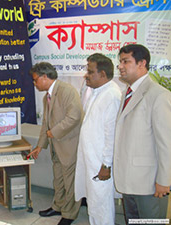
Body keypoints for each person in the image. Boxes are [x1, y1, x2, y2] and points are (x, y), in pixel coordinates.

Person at [114, 44, 171, 223]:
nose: (120, 66)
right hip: (129, 179)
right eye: (120, 62)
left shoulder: (158, 95)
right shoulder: (127, 93)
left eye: (126, 61)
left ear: (142, 63)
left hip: (149, 183)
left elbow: (166, 143)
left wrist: (164, 180)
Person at [28, 62, 83, 225]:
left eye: (35, 79)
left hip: (69, 146)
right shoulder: (48, 96)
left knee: (70, 182)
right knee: (58, 179)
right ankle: (58, 206)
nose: (34, 83)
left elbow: (75, 116)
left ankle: (69, 214)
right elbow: (45, 123)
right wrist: (40, 145)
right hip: (56, 147)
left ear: (45, 77)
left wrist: (54, 132)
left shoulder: (67, 91)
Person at [74, 53, 121, 225]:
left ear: (102, 74)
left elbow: (112, 135)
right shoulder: (97, 92)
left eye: (90, 71)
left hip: (100, 164)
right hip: (91, 160)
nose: (86, 74)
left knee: (101, 206)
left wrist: (106, 166)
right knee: (94, 203)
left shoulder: (112, 95)